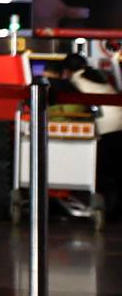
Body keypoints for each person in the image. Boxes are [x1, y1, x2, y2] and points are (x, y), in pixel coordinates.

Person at [49, 53, 122, 214]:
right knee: (116, 171)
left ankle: (105, 208)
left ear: (66, 71)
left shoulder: (75, 81)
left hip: (107, 127)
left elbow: (65, 101)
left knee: (100, 170)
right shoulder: (96, 74)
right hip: (119, 124)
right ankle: (115, 208)